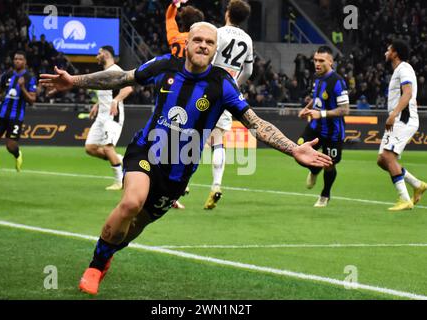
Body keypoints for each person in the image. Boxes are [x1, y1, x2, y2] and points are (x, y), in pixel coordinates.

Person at [40, 22, 332, 295]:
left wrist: (294, 148)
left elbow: (256, 124)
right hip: (146, 151)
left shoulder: (223, 85)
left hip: (178, 172)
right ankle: (95, 266)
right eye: (198, 40)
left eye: (209, 42)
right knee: (131, 202)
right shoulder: (166, 64)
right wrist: (74, 80)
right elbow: (121, 76)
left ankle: (108, 254)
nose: (203, 45)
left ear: (215, 49)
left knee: (135, 225)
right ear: (188, 43)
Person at [204, 0, 254, 210]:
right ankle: (216, 185)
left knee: (189, 135)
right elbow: (249, 72)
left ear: (227, 13)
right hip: (228, 91)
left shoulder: (218, 33)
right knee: (217, 140)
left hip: (207, 88)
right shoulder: (248, 40)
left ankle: (182, 184)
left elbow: (208, 59)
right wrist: (233, 86)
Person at [377, 40, 426, 211]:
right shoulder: (400, 70)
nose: (385, 52)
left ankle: (405, 199)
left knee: (388, 156)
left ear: (395, 53)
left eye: (388, 49)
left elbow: (408, 93)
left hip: (403, 119)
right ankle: (417, 184)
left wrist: (394, 114)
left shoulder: (404, 69)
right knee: (382, 160)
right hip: (399, 119)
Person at [298, 46, 350, 207]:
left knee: (329, 165)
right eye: (315, 60)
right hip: (315, 128)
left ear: (330, 61)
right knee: (298, 151)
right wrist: (308, 107)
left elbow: (345, 109)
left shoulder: (338, 82)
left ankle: (325, 195)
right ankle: (314, 170)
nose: (317, 64)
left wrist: (321, 114)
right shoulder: (317, 78)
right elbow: (317, 98)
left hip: (333, 133)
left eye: (321, 61)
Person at [165, 0, 204, 208]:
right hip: (194, 93)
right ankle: (177, 187)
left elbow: (169, 18)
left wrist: (174, 4)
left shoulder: (175, 37)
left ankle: (172, 189)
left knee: (168, 137)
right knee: (189, 141)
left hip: (171, 90)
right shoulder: (201, 44)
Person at [85, 46, 133, 190]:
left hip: (113, 116)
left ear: (106, 54)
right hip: (101, 117)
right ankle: (120, 160)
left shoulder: (116, 71)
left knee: (107, 147)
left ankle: (120, 181)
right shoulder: (105, 72)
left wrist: (115, 101)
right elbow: (108, 93)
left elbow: (128, 88)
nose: (97, 56)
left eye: (99, 53)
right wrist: (97, 105)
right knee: (90, 148)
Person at [0, 51, 37, 181]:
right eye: (15, 59)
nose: (17, 61)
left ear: (25, 62)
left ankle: (17, 154)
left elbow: (32, 100)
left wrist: (22, 87)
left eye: (20, 59)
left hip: (16, 117)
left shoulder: (30, 78)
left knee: (10, 146)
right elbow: (0, 91)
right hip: (1, 114)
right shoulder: (6, 75)